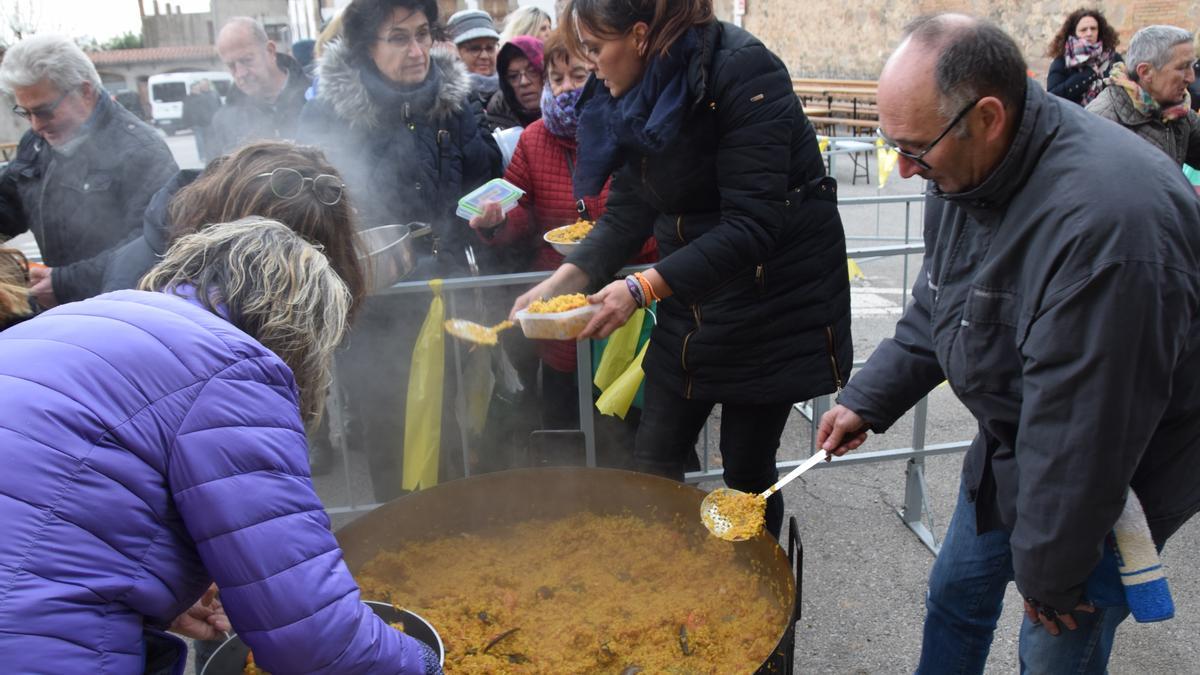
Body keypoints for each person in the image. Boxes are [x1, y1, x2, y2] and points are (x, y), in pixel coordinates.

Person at [819, 14, 1200, 674]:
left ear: (989, 116)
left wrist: (1053, 575)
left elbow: (1087, 435)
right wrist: (867, 399)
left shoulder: (1111, 227)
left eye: (915, 148)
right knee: (955, 594)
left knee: (1053, 645)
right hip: (1013, 442)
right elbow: (942, 304)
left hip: (1111, 480)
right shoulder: (959, 168)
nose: (904, 170)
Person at [0, 218, 440, 674]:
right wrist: (424, 664)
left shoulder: (82, 318)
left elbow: (56, 502)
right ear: (301, 329)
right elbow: (313, 634)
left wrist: (160, 592)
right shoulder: (232, 367)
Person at [514, 0, 852, 539]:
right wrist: (561, 282)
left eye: (598, 50)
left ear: (641, 35)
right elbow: (627, 210)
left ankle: (752, 599)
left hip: (775, 303)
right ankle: (664, 577)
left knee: (744, 471)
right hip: (693, 300)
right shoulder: (631, 89)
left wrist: (641, 287)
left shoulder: (743, 71)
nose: (593, 67)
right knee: (652, 457)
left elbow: (753, 224)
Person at [300, 0, 498, 502]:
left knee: (453, 424)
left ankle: (453, 535)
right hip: (376, 305)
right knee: (390, 429)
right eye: (398, 38)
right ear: (366, 47)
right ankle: (403, 541)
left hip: (446, 292)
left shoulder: (455, 102)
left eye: (423, 33)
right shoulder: (329, 115)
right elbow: (309, 209)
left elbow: (483, 178)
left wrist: (489, 217)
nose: (417, 51)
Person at [469, 29, 657, 461]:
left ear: (598, 69)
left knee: (633, 427)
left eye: (577, 73)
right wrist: (497, 222)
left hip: (632, 301)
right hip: (564, 306)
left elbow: (653, 215)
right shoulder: (534, 139)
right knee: (566, 429)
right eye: (557, 78)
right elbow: (519, 208)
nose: (567, 86)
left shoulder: (632, 127)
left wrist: (616, 244)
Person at [0, 34, 177, 308]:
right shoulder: (36, 143)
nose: (35, 125)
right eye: (26, 113)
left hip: (122, 309)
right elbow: (9, 201)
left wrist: (64, 283)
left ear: (85, 92)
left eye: (44, 111)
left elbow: (151, 245)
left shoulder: (142, 151)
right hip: (63, 305)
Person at [1087, 25, 1200, 168]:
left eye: (1192, 65)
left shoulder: (1177, 113)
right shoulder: (1100, 122)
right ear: (1145, 72)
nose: (1191, 78)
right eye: (1182, 67)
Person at [209, 17, 311, 161]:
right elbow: (216, 178)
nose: (241, 73)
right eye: (231, 66)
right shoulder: (224, 120)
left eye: (247, 60)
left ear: (270, 51)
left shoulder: (316, 97)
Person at [1045, 7, 1122, 106]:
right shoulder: (1063, 60)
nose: (1089, 33)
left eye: (1093, 29)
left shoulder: (1113, 58)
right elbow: (1052, 96)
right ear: (1074, 33)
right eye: (1083, 30)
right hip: (1074, 119)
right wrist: (1088, 74)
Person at [447, 8, 501, 112]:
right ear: (455, 51)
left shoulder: (511, 89)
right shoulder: (446, 99)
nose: (484, 56)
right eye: (475, 48)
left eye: (490, 48)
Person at [485, 35, 544, 131]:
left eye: (533, 71)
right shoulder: (496, 120)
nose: (524, 82)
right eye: (513, 76)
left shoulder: (570, 116)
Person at [181, 79, 221, 161]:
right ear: (192, 89)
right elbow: (186, 111)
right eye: (195, 88)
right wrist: (187, 123)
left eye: (198, 88)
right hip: (196, 123)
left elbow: (210, 108)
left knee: (208, 140)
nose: (197, 89)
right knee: (200, 141)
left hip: (206, 122)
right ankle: (202, 156)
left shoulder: (205, 96)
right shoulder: (188, 98)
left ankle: (208, 155)